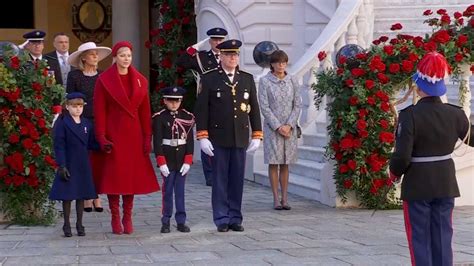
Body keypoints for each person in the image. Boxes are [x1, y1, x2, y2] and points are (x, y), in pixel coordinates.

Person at [389, 52, 471, 266]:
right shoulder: (456, 114)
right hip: (445, 183)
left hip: (418, 184)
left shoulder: (409, 115)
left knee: (420, 238)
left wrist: (394, 173)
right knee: (444, 236)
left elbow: (402, 156)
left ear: (417, 86)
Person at [194, 39, 263, 232]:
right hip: (218, 137)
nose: (233, 58)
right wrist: (203, 136)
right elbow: (202, 110)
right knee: (220, 180)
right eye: (229, 55)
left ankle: (235, 217)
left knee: (237, 180)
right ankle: (221, 218)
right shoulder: (209, 79)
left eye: (236, 55)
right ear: (221, 57)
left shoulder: (247, 79)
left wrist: (257, 134)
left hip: (240, 137)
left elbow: (254, 109)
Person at [92, 41, 160, 235]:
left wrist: (148, 138)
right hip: (114, 134)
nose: (126, 59)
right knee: (115, 178)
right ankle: (114, 215)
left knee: (130, 178)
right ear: (115, 57)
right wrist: (102, 137)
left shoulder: (140, 80)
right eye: (122, 55)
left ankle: (127, 216)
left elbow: (146, 112)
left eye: (128, 55)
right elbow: (100, 111)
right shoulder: (104, 80)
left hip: (134, 135)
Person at [176, 27, 228, 187]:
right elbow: (181, 62)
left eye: (220, 40)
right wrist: (196, 47)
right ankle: (210, 175)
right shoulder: (202, 57)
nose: (217, 42)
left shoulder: (229, 56)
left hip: (225, 102)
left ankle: (223, 172)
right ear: (210, 41)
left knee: (224, 137)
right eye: (214, 40)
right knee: (206, 137)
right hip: (206, 101)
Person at [67, 41, 112, 213]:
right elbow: (70, 99)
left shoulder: (103, 75)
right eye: (92, 54)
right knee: (83, 159)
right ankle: (86, 196)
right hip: (81, 121)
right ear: (83, 58)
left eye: (96, 54)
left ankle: (96, 195)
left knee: (98, 160)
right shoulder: (75, 76)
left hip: (100, 121)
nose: (95, 56)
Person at [49, 92, 99, 237]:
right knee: (67, 195)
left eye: (80, 106)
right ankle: (66, 224)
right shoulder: (63, 123)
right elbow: (59, 145)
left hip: (82, 163)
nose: (77, 109)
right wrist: (61, 164)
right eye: (74, 106)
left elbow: (91, 143)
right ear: (67, 106)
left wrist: (103, 146)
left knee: (81, 195)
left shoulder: (87, 124)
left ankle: (79, 223)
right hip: (69, 162)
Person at [258, 50, 301, 210]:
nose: (281, 65)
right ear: (272, 64)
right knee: (274, 162)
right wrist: (278, 126)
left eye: (283, 62)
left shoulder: (292, 80)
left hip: (289, 128)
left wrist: (289, 125)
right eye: (277, 62)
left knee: (285, 163)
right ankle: (275, 198)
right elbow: (264, 106)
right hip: (272, 128)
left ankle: (285, 198)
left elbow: (297, 104)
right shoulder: (265, 81)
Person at [152, 86, 195, 234]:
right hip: (168, 158)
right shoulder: (159, 117)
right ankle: (166, 221)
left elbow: (190, 141)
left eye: (177, 101)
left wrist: (188, 160)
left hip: (182, 158)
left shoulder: (187, 116)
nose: (174, 104)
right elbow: (157, 142)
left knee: (180, 191)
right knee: (168, 190)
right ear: (165, 101)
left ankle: (181, 221)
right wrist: (161, 162)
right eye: (171, 101)